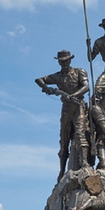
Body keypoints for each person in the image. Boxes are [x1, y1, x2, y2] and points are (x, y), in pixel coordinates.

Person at [36, 50, 90, 181]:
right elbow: (39, 80)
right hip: (66, 109)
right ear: (59, 62)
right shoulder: (57, 76)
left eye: (66, 60)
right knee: (64, 140)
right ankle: (61, 170)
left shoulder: (79, 72)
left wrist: (74, 95)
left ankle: (84, 163)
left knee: (80, 134)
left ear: (70, 60)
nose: (64, 63)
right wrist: (47, 88)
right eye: (62, 61)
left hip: (78, 107)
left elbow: (86, 87)